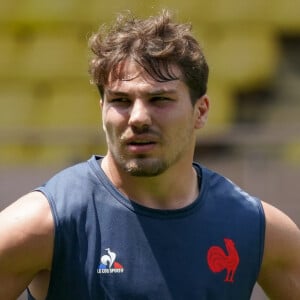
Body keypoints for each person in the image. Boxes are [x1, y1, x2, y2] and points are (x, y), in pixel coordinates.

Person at [0, 9, 300, 300]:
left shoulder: (254, 227)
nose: (138, 118)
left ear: (201, 111)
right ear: (102, 109)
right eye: (121, 100)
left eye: (159, 99)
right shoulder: (44, 224)